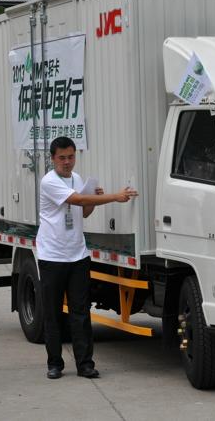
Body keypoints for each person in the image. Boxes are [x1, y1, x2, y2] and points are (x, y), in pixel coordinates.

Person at [38, 136, 138, 380]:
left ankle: (85, 364)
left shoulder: (77, 178)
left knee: (81, 312)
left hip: (77, 254)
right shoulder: (48, 181)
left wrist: (95, 197)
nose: (67, 162)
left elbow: (83, 210)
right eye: (62, 158)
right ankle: (55, 363)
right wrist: (113, 197)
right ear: (52, 159)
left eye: (71, 157)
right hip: (52, 256)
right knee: (52, 313)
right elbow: (77, 199)